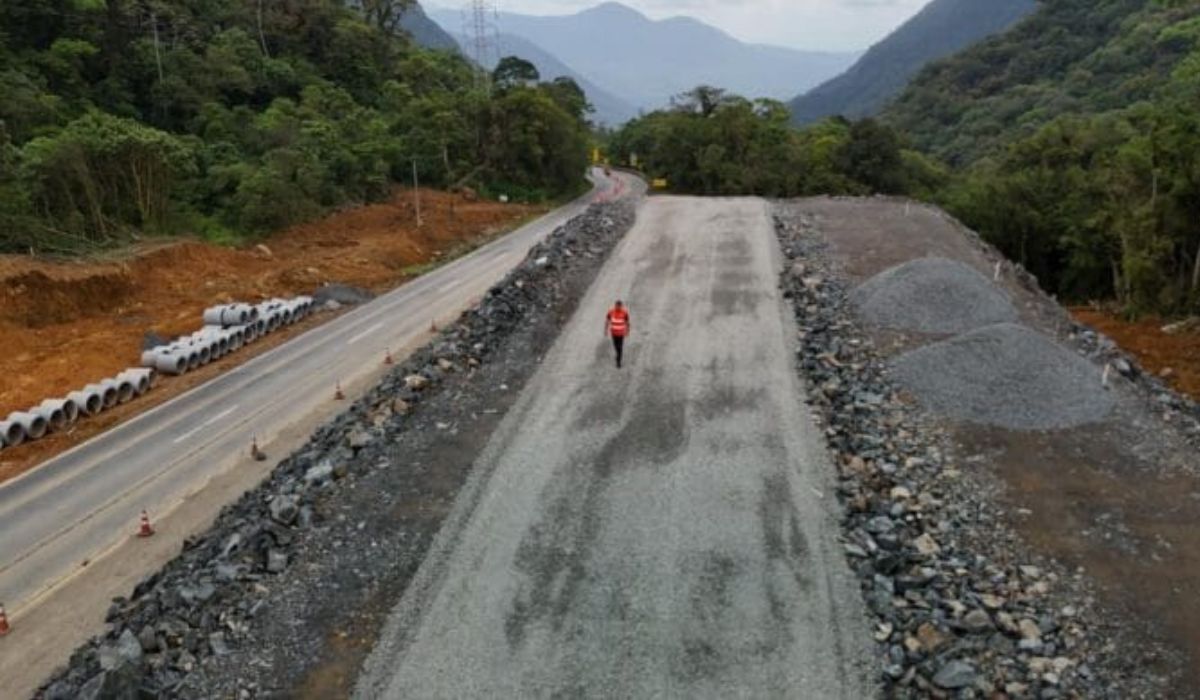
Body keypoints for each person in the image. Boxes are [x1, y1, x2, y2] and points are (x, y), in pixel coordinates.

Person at [604, 300, 630, 368]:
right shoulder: (611, 312)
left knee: (620, 347)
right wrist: (605, 330)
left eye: (619, 306)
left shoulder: (625, 313)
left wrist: (627, 331)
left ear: (621, 306)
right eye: (617, 306)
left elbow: (627, 322)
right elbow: (607, 321)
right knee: (616, 346)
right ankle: (618, 354)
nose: (618, 307)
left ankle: (618, 361)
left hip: (621, 333)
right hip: (614, 333)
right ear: (615, 305)